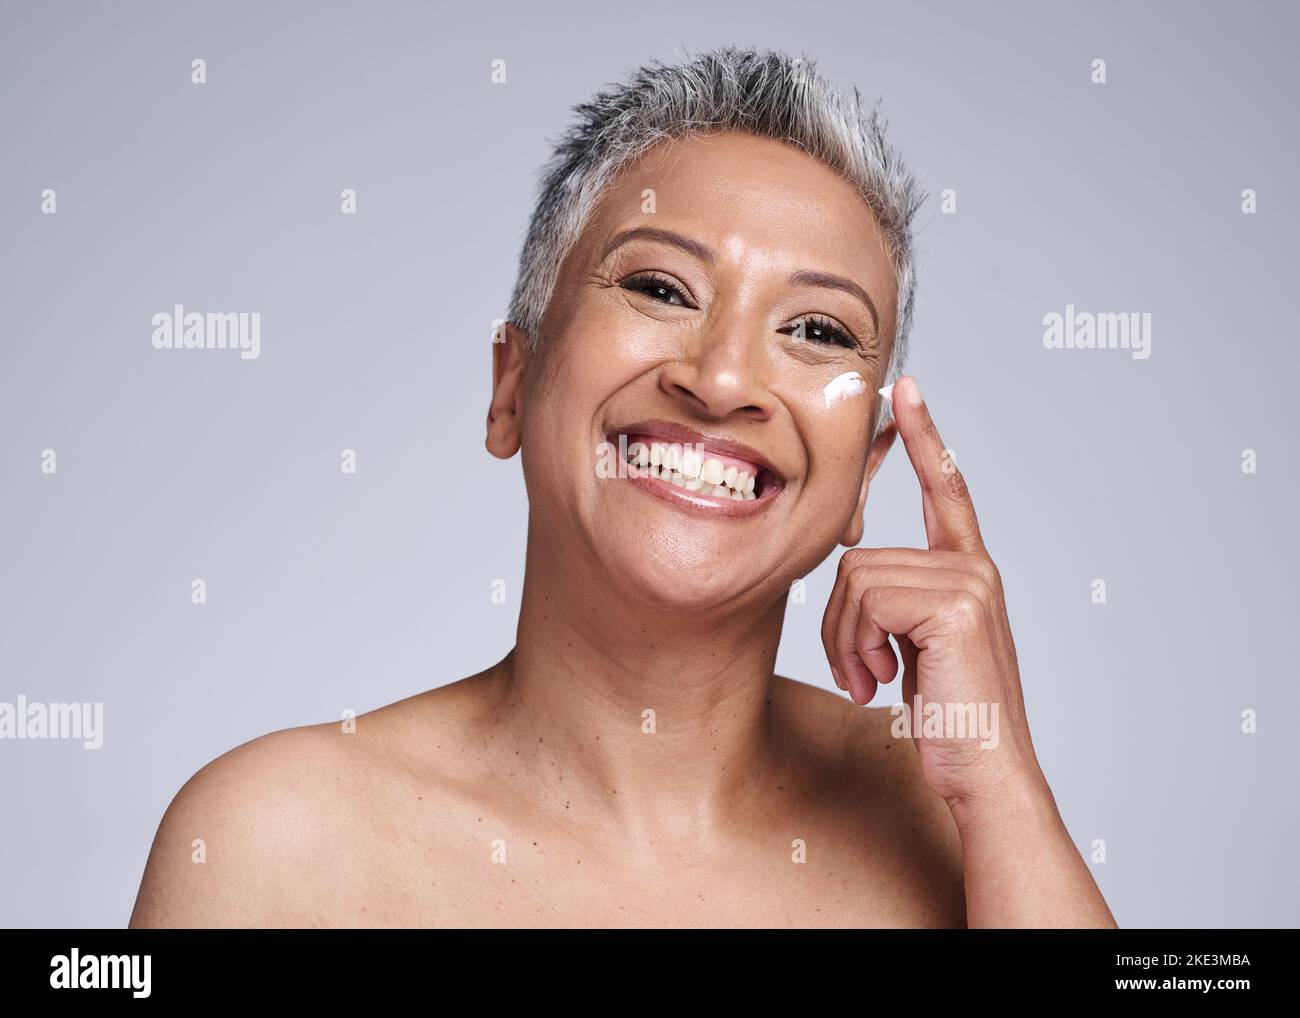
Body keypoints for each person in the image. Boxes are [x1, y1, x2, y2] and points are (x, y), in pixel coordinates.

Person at [130, 46, 1115, 928]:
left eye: (816, 329)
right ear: (511, 385)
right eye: (658, 288)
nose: (721, 378)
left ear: (864, 474)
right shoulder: (275, 845)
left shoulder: (953, 821)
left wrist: (1006, 792)